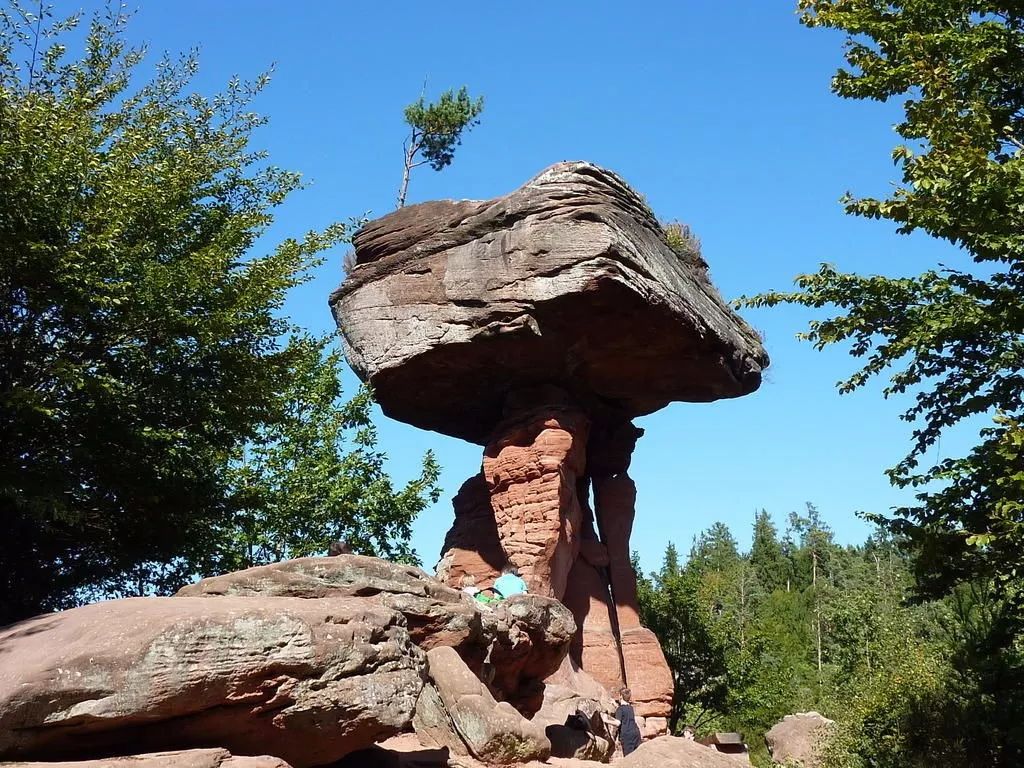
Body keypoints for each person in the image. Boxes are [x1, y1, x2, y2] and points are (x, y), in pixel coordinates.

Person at [614, 688, 642, 756]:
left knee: (629, 758)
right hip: (636, 733)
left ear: (620, 696)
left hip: (627, 736)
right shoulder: (630, 708)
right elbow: (625, 714)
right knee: (636, 756)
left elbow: (618, 723)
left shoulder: (620, 709)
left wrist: (606, 720)